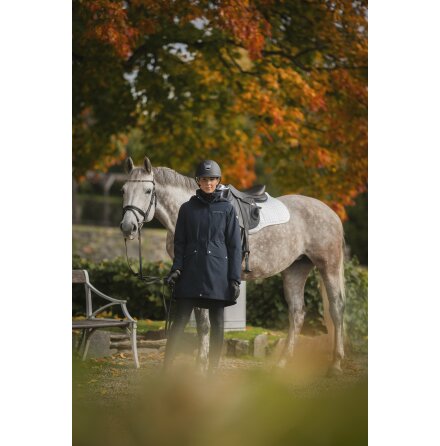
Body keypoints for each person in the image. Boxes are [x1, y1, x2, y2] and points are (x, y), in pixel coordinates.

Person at [163, 159, 242, 374]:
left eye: (213, 179)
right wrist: (176, 269)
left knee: (217, 325)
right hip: (190, 274)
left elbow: (235, 246)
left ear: (218, 181)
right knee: (178, 323)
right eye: (205, 179)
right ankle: (166, 368)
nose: (209, 183)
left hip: (218, 276)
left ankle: (213, 371)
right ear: (198, 181)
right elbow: (180, 243)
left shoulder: (227, 209)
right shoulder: (187, 209)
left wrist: (235, 278)